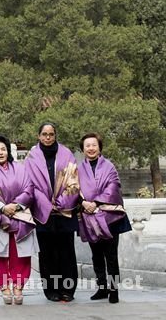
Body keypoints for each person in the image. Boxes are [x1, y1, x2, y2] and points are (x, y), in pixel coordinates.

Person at [0, 135, 37, 305]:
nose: (0, 152)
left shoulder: (20, 168)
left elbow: (29, 188)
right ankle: (4, 286)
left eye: (3, 149)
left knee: (19, 252)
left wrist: (16, 205)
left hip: (19, 215)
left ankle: (18, 286)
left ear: (8, 151)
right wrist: (2, 207)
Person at [24, 123, 80, 302]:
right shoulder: (32, 157)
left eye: (51, 134)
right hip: (42, 213)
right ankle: (51, 290)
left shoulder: (66, 154)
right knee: (47, 254)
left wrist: (61, 202)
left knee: (66, 252)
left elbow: (74, 181)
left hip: (64, 212)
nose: (48, 137)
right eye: (44, 134)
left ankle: (68, 289)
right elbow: (29, 184)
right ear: (39, 136)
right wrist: (47, 204)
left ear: (55, 135)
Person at [77, 132, 132, 304]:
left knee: (111, 255)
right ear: (83, 149)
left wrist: (96, 201)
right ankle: (101, 288)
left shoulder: (109, 166)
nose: (91, 148)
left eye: (94, 145)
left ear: (99, 147)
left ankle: (114, 290)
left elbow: (114, 187)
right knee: (96, 255)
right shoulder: (78, 169)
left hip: (110, 218)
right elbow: (73, 189)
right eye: (87, 145)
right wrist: (83, 202)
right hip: (89, 217)